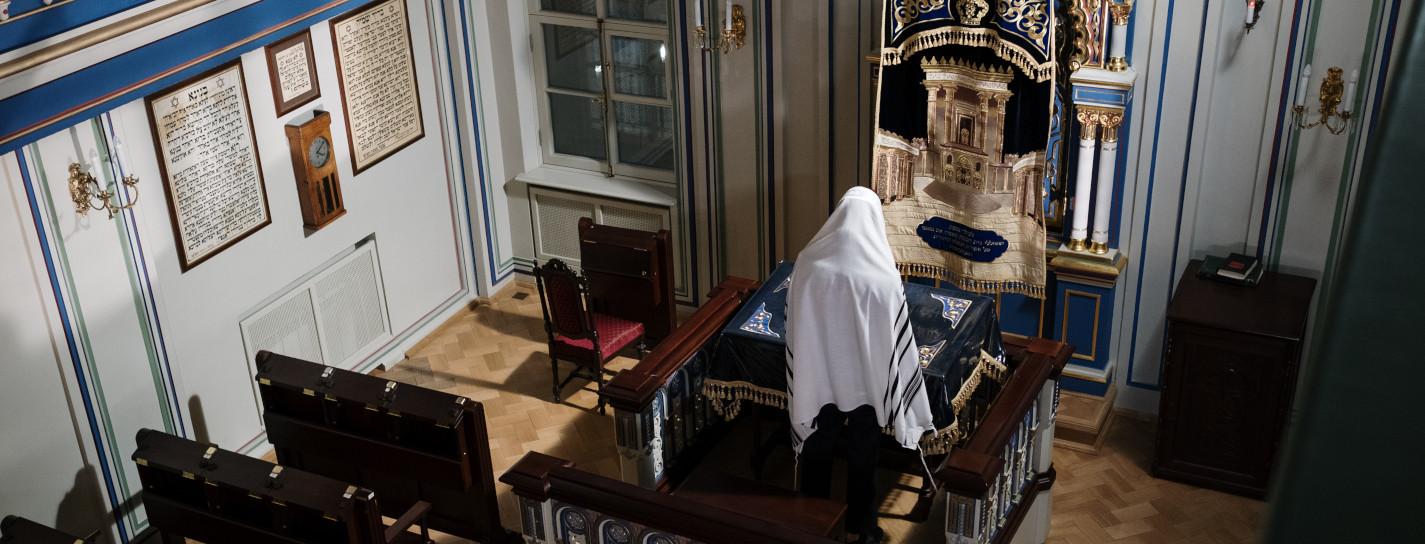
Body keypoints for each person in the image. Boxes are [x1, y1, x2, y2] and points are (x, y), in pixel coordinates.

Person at [785, 186, 936, 544]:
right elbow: (896, 339)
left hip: (819, 378)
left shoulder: (808, 264)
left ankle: (813, 525)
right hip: (868, 383)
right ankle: (860, 530)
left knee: (818, 446)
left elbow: (794, 321)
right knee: (863, 452)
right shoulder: (883, 278)